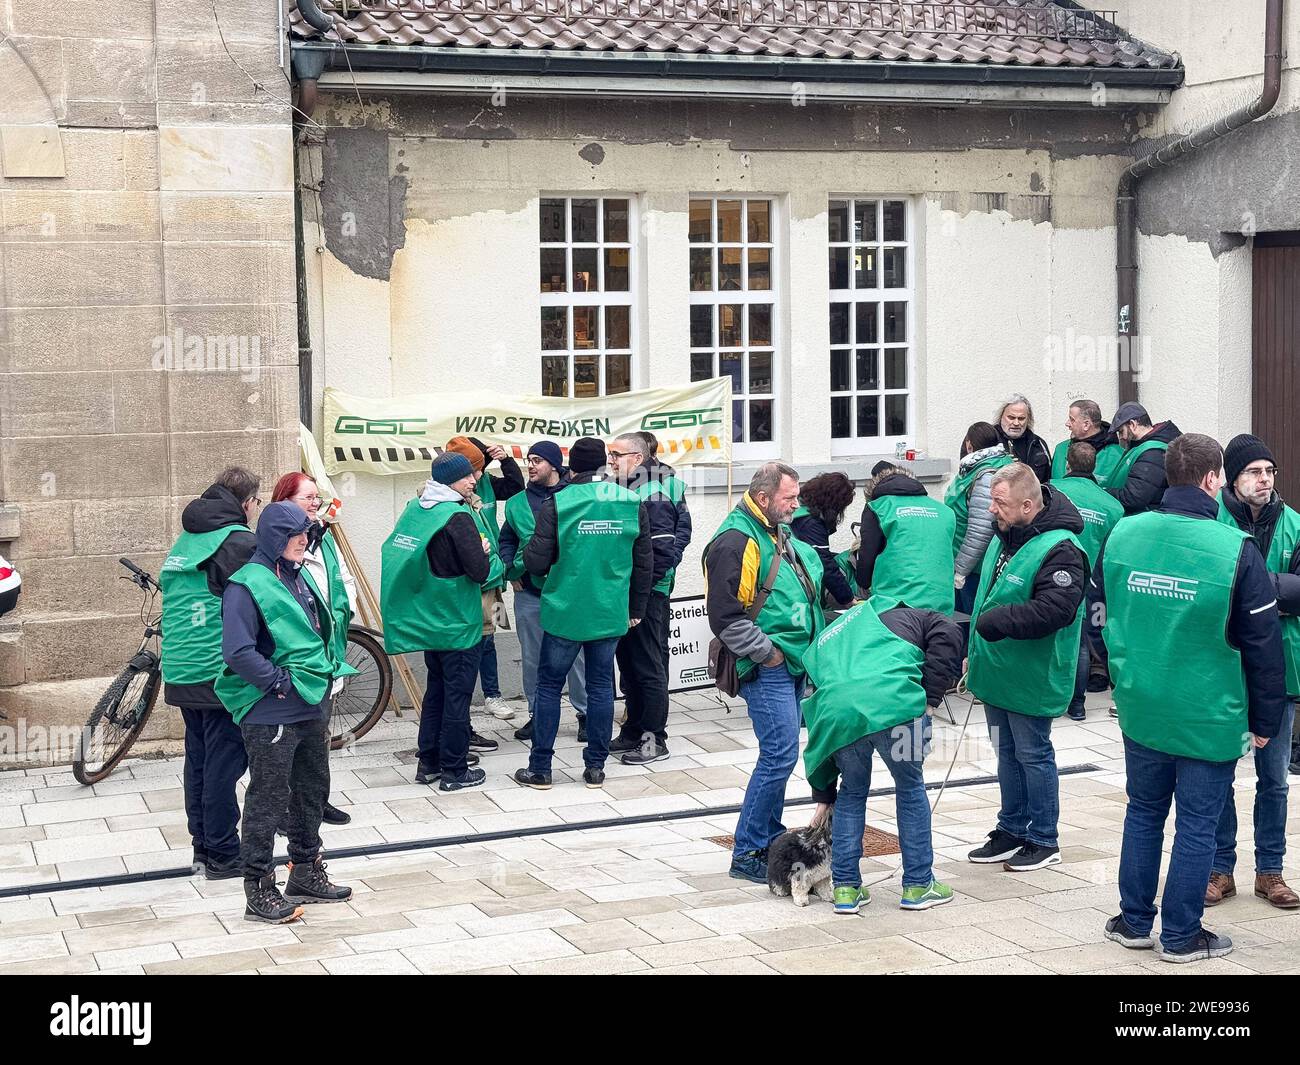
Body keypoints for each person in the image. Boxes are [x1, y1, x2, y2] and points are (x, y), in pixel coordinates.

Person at [1098, 433, 1287, 962]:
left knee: (1143, 813)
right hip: (1207, 712)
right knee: (1197, 825)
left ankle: (1134, 922)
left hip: (1142, 704)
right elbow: (1262, 645)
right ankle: (1182, 936)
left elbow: (1105, 610)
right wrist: (1265, 717)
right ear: (1212, 479)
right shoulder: (1234, 550)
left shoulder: (1124, 534)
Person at [216, 501, 355, 923]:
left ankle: (306, 871)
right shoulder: (246, 585)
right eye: (295, 534)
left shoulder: (297, 577)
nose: (303, 541)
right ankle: (258, 888)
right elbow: (237, 651)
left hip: (311, 701)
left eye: (306, 534)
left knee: (313, 787)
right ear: (275, 537)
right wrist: (278, 682)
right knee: (269, 799)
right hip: (271, 710)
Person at [704, 463, 824, 884]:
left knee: (782, 754)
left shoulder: (772, 532)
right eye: (789, 498)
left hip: (790, 661)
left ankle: (767, 836)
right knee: (778, 756)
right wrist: (768, 653)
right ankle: (749, 849)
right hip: (768, 664)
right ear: (763, 498)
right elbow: (723, 615)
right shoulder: (737, 540)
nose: (796, 504)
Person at [802, 598, 962, 913]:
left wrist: (822, 791)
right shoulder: (926, 617)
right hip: (895, 706)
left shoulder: (844, 626)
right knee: (910, 786)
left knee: (851, 791)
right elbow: (951, 635)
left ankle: (846, 889)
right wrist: (931, 698)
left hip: (841, 714)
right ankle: (918, 885)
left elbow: (817, 680)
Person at [965, 462, 1086, 873]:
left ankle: (1043, 838)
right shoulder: (1007, 534)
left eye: (999, 503)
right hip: (998, 669)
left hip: (1031, 674)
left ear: (1028, 505)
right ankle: (1012, 827)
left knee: (1033, 753)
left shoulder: (1062, 548)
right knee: (1006, 752)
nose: (991, 511)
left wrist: (998, 621)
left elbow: (1055, 610)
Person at [516, 437, 652, 789]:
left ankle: (541, 768)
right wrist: (635, 608)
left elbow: (535, 560)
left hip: (565, 609)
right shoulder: (630, 501)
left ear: (571, 467)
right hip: (609, 611)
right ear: (603, 465)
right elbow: (644, 562)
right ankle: (595, 767)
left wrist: (538, 565)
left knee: (548, 687)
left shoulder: (558, 502)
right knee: (600, 688)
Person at [1208, 434, 1300, 909]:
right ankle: (1221, 869)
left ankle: (1271, 870)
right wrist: (1273, 595)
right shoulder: (1212, 523)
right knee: (1219, 773)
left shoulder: (1296, 526)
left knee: (1275, 779)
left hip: (1278, 671)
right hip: (1223, 669)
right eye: (1254, 472)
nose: (1264, 481)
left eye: (1270, 472)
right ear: (1231, 478)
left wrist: (1249, 591)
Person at [160, 467, 260, 881]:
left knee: (199, 760)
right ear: (245, 502)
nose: (257, 509)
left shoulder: (189, 538)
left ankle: (202, 846)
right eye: (257, 502)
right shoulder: (238, 541)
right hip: (218, 671)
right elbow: (262, 595)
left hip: (182, 666)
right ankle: (222, 853)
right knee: (225, 762)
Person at [380, 452, 493, 792]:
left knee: (437, 692)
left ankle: (428, 762)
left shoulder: (418, 509)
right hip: (457, 621)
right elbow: (479, 572)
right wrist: (483, 549)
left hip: (429, 619)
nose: (473, 481)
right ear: (450, 481)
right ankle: (455, 771)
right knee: (457, 697)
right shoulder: (457, 515)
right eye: (466, 478)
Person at [271, 473, 355, 826]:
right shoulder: (278, 545)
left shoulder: (323, 536)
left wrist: (343, 610)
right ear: (285, 501)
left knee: (318, 737)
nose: (316, 501)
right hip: (297, 654)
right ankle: (285, 811)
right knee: (290, 741)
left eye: (315, 496)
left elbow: (343, 578)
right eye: (308, 497)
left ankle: (317, 801)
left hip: (327, 648)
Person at [607, 433, 693, 766]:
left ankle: (653, 739)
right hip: (635, 592)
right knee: (630, 664)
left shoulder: (653, 492)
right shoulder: (640, 485)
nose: (611, 460)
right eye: (609, 454)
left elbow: (660, 550)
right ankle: (632, 730)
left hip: (647, 594)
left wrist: (639, 600)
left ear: (638, 459)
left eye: (616, 454)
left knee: (648, 666)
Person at [498, 440, 590, 742]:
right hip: (531, 593)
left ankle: (586, 715)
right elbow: (507, 541)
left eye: (537, 460)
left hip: (571, 593)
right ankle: (538, 716)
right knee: (533, 658)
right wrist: (512, 570)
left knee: (578, 660)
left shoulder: (576, 496)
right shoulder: (516, 503)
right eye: (529, 460)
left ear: (553, 464)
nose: (531, 466)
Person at [444, 437, 520, 724]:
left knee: (488, 637)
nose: (475, 478)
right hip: (461, 581)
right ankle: (461, 719)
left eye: (478, 469)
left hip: (490, 577)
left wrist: (506, 460)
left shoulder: (485, 481)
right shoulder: (448, 494)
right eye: (471, 471)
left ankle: (492, 695)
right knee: (464, 644)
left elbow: (515, 487)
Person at [1048, 443, 1123, 720]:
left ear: (1067, 464)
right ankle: (1077, 706)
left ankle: (1053, 698)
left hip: (1053, 576)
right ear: (1095, 468)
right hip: (1090, 581)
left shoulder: (1051, 490)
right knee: (1080, 643)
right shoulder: (1112, 506)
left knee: (1052, 640)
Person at [857, 463, 956, 614]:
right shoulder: (945, 512)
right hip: (942, 605)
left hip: (895, 605)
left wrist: (863, 581)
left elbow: (866, 560)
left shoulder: (877, 508)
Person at [945, 422, 1014, 621]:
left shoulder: (986, 475)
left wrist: (960, 570)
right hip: (974, 564)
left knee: (968, 622)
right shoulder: (991, 466)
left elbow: (980, 531)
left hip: (975, 569)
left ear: (969, 445)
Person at [790, 472, 857, 610]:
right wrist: (848, 598)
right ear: (834, 503)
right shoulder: (811, 523)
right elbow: (823, 563)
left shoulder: (799, 509)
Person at [1107, 401, 1182, 515]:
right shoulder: (1148, 448)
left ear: (1133, 424)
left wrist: (1101, 493)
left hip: (1142, 519)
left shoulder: (1153, 453)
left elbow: (1133, 498)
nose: (1121, 438)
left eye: (1121, 431)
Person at [1049, 399, 1121, 486]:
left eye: (1072, 419)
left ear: (1086, 425)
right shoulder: (1060, 450)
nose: (1067, 423)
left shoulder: (1117, 456)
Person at [995, 394, 1052, 484]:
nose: (1016, 423)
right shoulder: (988, 440)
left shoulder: (1037, 443)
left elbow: (1048, 479)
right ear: (1001, 417)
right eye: (1011, 417)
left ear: (1028, 419)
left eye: (1021, 418)